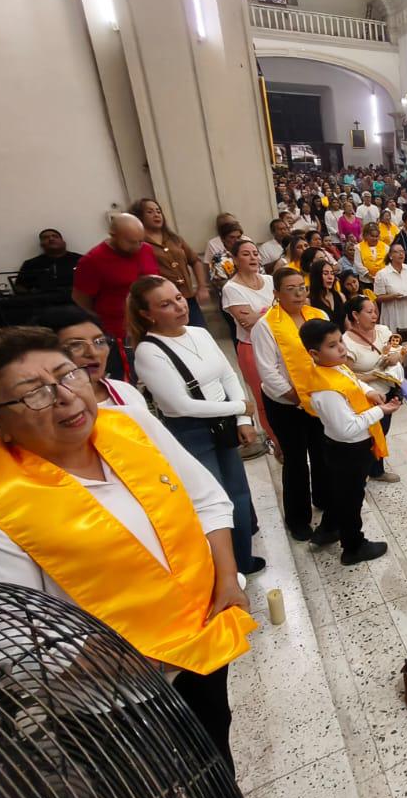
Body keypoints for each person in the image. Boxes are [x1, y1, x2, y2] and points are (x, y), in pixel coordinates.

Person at [0, 327, 273, 798]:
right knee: (145, 770)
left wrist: (227, 578)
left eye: (66, 374)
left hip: (201, 629)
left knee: (211, 726)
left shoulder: (130, 424)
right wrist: (133, 659)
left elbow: (206, 499)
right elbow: (7, 639)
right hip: (108, 688)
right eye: (34, 393)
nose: (66, 397)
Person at [128, 276, 264, 576]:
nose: (179, 306)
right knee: (211, 501)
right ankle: (222, 570)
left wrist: (242, 419)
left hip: (223, 421)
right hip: (191, 431)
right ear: (147, 314)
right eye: (166, 304)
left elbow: (228, 375)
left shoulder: (199, 333)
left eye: (179, 298)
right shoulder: (149, 351)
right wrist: (239, 408)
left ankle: (242, 559)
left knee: (238, 492)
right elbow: (181, 405)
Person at [299, 319, 400, 562]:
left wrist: (369, 392)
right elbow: (347, 429)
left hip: (352, 446)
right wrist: (381, 411)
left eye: (340, 341)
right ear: (314, 353)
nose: (342, 348)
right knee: (351, 499)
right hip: (348, 449)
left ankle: (328, 529)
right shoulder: (325, 390)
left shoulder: (334, 366)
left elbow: (353, 380)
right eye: (332, 345)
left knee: (341, 492)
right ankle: (353, 547)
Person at [251, 269, 327, 541]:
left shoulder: (318, 316)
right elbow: (268, 372)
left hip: (320, 398)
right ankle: (297, 518)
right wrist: (298, 398)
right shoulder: (265, 326)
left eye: (301, 287)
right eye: (290, 289)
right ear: (276, 294)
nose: (298, 293)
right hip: (285, 403)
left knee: (321, 451)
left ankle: (323, 497)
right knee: (295, 460)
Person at [71, 213, 159, 373]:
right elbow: (80, 299)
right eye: (131, 242)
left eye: (141, 240)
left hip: (151, 324)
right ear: (113, 235)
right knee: (131, 375)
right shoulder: (92, 261)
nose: (138, 246)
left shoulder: (146, 249)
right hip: (120, 332)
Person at [341, 295, 406, 484]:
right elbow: (347, 376)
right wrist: (376, 375)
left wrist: (397, 357)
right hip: (365, 396)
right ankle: (361, 473)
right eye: (369, 312)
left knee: (382, 431)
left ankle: (376, 470)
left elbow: (400, 351)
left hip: (388, 391)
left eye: (375, 311)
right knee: (367, 435)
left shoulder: (383, 331)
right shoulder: (346, 342)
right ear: (355, 315)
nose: (374, 315)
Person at [221, 239, 277, 447]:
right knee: (264, 399)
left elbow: (288, 310)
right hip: (252, 348)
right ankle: (276, 442)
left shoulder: (270, 280)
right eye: (246, 254)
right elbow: (248, 324)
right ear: (235, 260)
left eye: (255, 253)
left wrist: (261, 314)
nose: (253, 257)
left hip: (280, 345)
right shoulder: (232, 288)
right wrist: (275, 311)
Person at [35, 306, 147, 409]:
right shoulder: (45, 407)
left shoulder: (126, 391)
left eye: (99, 341)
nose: (93, 353)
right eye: (76, 345)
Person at [131, 198, 209, 328]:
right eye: (150, 212)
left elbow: (195, 260)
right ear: (140, 216)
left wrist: (202, 286)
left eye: (158, 211)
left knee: (200, 331)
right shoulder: (139, 243)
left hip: (187, 298)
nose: (156, 215)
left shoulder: (174, 239)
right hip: (164, 302)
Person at [373, 242, 407, 331]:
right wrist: (393, 296)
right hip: (392, 312)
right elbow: (378, 297)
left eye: (402, 251)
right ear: (390, 256)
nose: (401, 254)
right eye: (397, 252)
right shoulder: (382, 274)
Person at [16, 228, 82, 294]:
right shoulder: (30, 264)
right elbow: (19, 286)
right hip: (42, 299)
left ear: (63, 242)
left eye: (55, 236)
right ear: (41, 245)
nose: (51, 239)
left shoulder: (81, 260)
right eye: (45, 238)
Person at [306, 257, 346, 327]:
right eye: (325, 273)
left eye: (332, 273)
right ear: (316, 276)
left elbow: (347, 321)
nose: (330, 277)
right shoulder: (309, 302)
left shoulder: (341, 296)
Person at [353, 222, 390, 290]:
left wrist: (381, 276)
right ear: (366, 236)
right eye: (372, 236)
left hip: (382, 280)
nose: (375, 238)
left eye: (376, 236)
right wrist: (370, 276)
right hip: (366, 281)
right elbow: (358, 264)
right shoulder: (358, 247)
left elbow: (388, 263)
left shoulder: (386, 247)